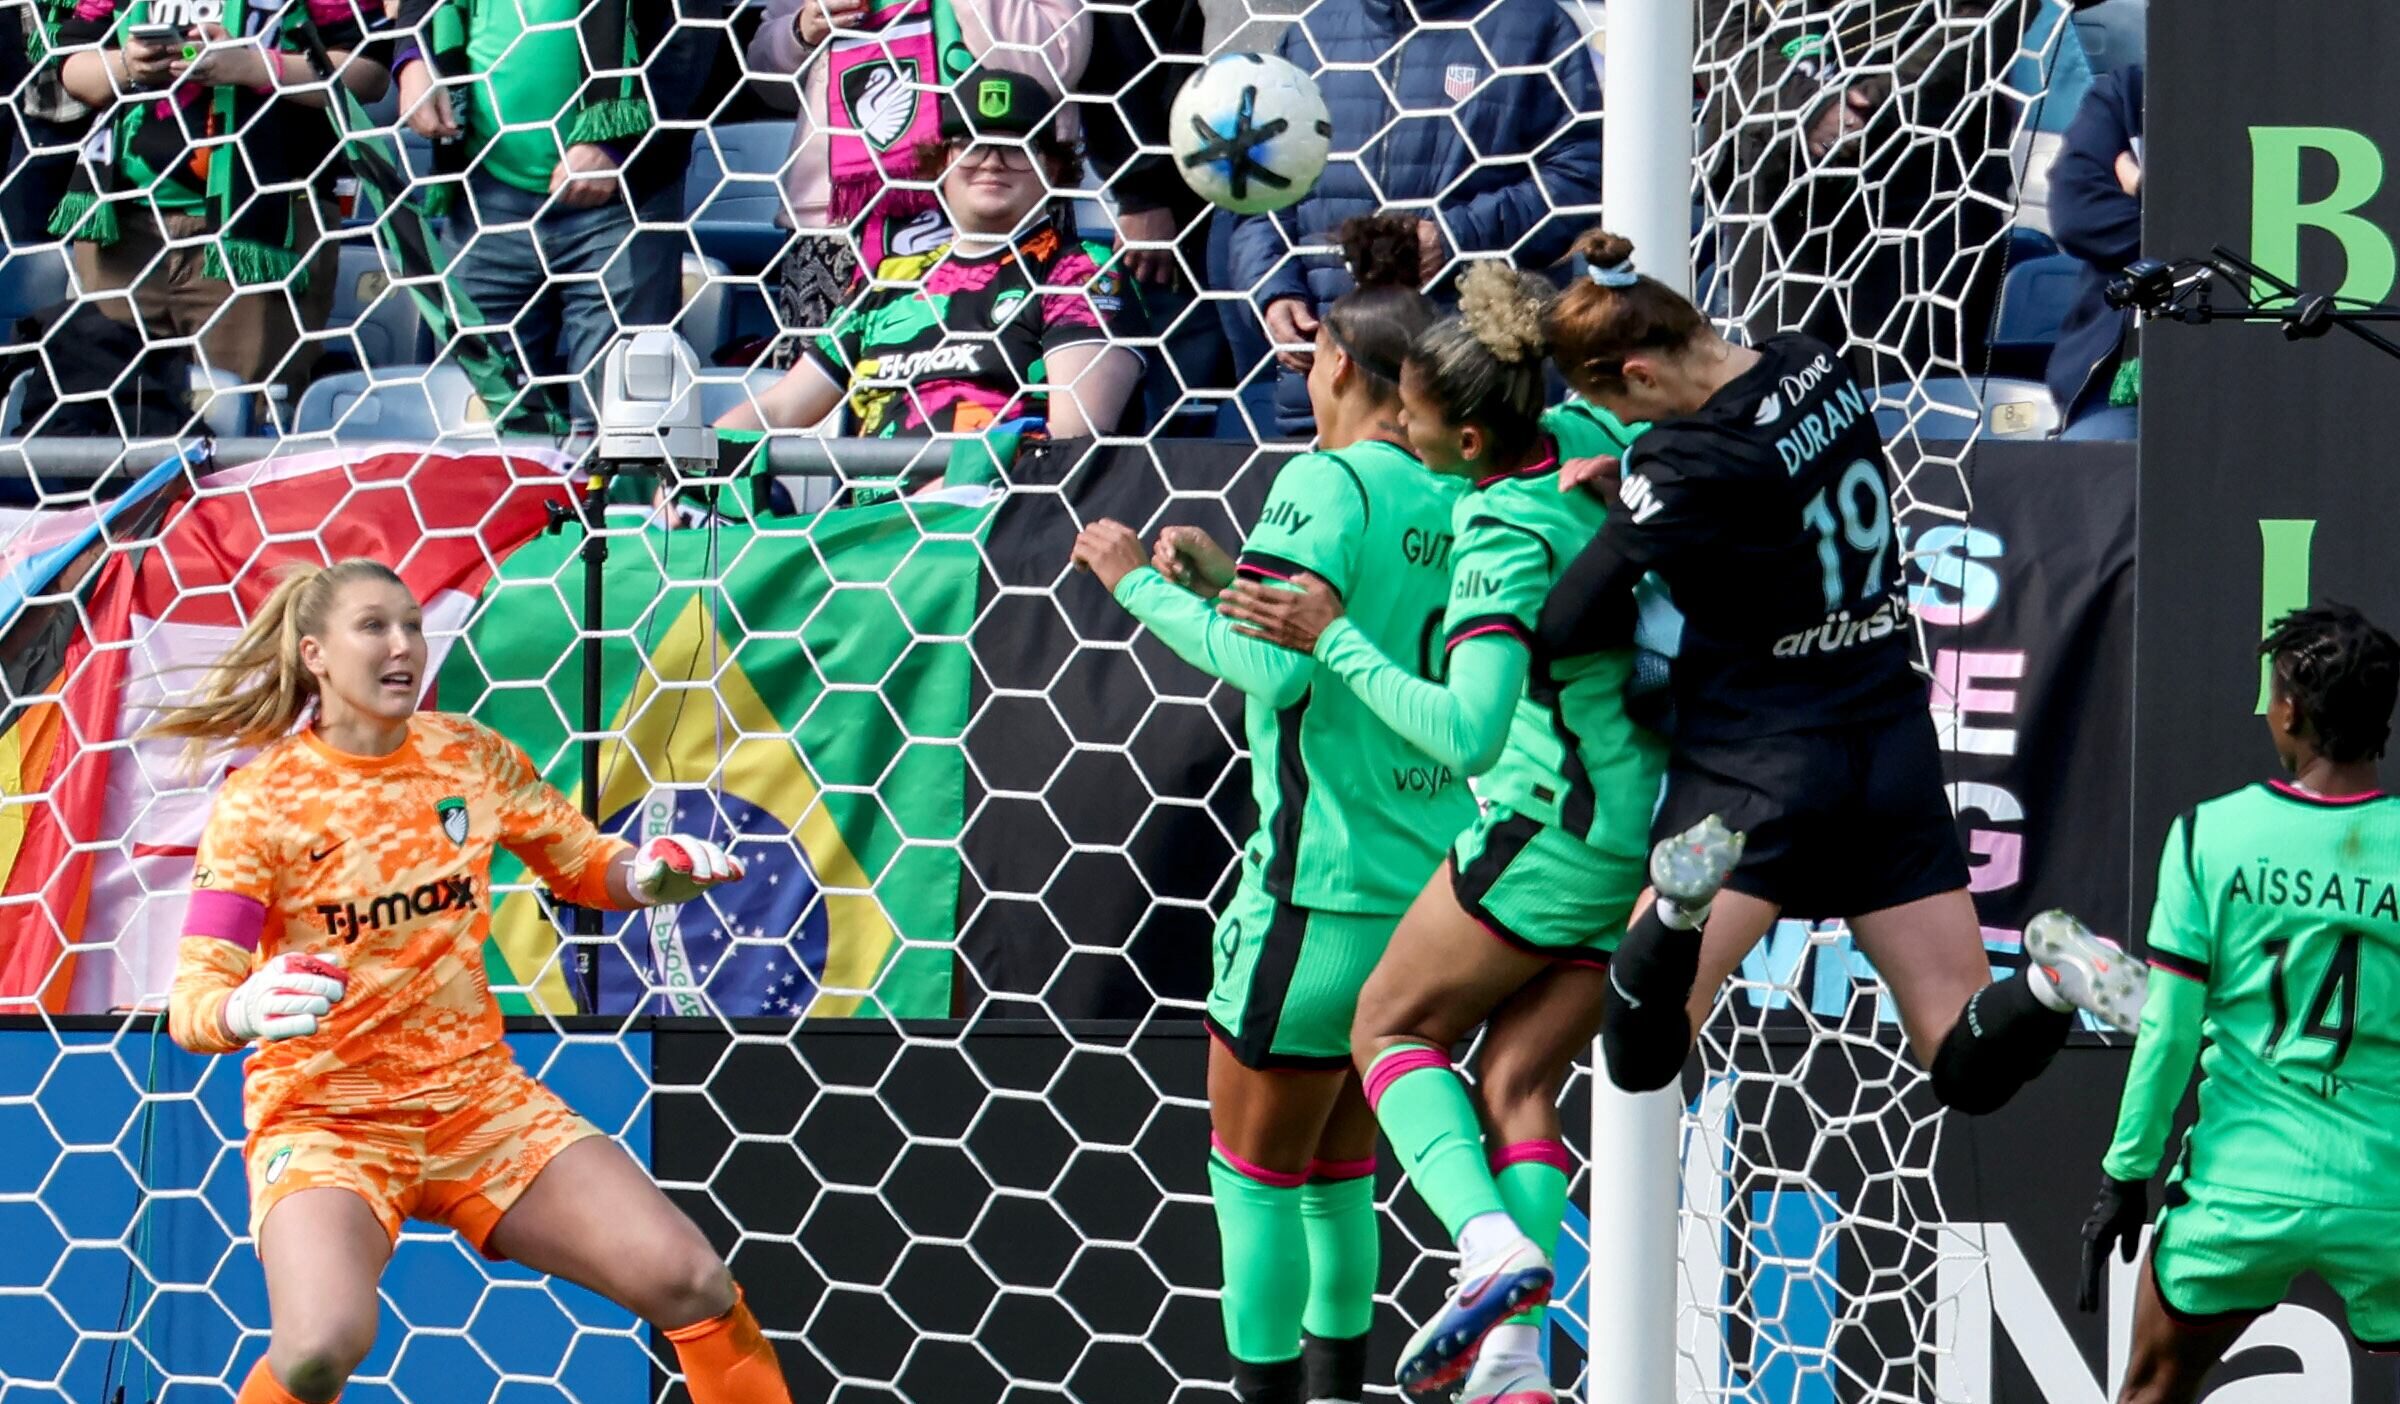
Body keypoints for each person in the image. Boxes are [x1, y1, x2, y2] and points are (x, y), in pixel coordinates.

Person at [1210, 259, 1722, 1403]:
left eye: (1422, 423)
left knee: (1388, 1030)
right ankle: (1517, 1357)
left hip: (1553, 826)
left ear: (1476, 442)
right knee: (1520, 1082)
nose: (1407, 434)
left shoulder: (1497, 527)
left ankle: (1488, 1246)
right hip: (1657, 825)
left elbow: (1471, 735)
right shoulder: (1596, 434)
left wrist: (1335, 636)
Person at [146, 558, 791, 1404]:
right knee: (316, 1350)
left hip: (478, 1106)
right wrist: (238, 1008)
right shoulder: (261, 803)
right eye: (374, 626)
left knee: (691, 1280)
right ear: (314, 654)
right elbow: (193, 1000)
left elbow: (587, 864)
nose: (403, 643)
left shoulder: (470, 756)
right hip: (327, 1118)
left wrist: (651, 877)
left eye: (412, 624)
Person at [1534, 230, 2138, 1118]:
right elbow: (1764, 507)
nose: (1629, 428)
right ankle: (2050, 985)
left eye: (1618, 407)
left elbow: (1565, 624)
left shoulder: (1683, 461)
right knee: (1959, 1052)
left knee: (1641, 1056)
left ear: (1640, 373)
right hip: (1887, 740)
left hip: (1757, 768)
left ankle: (1674, 912)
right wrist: (1641, 505)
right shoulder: (1811, 360)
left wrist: (1625, 518)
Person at [1065, 214, 1472, 1404]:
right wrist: (1219, 573)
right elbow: (1361, 626)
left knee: (1255, 1180)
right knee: (1345, 1173)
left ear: (1334, 366)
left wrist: (1135, 580)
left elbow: (1279, 670)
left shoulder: (1322, 475)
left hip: (1314, 899)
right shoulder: (1460, 490)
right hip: (1428, 907)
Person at [2066, 604, 2400, 1404]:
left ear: (2289, 710)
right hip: (2384, 1191)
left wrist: (2126, 1175)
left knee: (2151, 1390)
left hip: (2238, 1193)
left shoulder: (2210, 836)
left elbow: (2170, 1032)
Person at [720, 70, 1144, 486]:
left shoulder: (1081, 270)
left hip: (997, 524)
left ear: (1051, 167)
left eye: (1016, 145)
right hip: (871, 533)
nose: (992, 160)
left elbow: (1075, 442)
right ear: (942, 162)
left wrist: (953, 490)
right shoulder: (890, 278)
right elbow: (779, 409)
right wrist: (694, 469)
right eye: (970, 143)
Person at [1226, 0, 1601, 437]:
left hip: (1463, 391)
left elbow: (1580, 179)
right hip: (1328, 391)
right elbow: (1258, 192)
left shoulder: (1532, 25)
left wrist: (1456, 238)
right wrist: (1273, 291)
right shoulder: (1312, 32)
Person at [394, 0, 725, 418]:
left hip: (621, 202)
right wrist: (414, 55)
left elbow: (694, 30)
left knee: (622, 425)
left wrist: (616, 142)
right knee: (475, 423)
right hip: (482, 191)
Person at [50, 0, 390, 393]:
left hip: (264, 234)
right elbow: (73, 66)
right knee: (108, 414)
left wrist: (256, 67)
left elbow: (369, 73)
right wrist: (128, 64)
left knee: (248, 414)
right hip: (123, 233)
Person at [741, 0, 1088, 349]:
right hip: (840, 222)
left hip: (1000, 201)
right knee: (821, 393)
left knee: (991, 386)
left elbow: (1055, 62)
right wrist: (802, 31)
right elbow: (766, 80)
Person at [2046, 63, 2144, 426]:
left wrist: (2148, 195)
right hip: (2121, 383)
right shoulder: (2129, 90)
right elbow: (2077, 213)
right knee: (2100, 467)